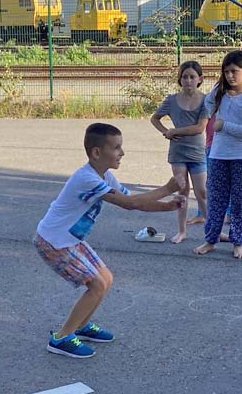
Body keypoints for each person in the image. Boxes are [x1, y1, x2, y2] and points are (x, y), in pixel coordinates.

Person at [35, 123, 185, 358]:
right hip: (54, 241)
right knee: (95, 285)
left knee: (105, 278)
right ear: (96, 152)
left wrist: (167, 206)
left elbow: (133, 200)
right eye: (116, 148)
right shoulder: (87, 179)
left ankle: (81, 326)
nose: (122, 153)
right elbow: (131, 204)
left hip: (69, 238)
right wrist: (167, 188)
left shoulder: (104, 175)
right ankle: (61, 338)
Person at [194, 50, 242, 259]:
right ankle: (210, 239)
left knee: (240, 200)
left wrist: (224, 126)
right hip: (218, 154)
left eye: (234, 71)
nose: (230, 76)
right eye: (226, 72)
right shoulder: (220, 93)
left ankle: (238, 241)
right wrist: (218, 88)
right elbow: (207, 104)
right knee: (215, 198)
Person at [150, 61, 210, 245]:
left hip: (197, 152)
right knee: (182, 191)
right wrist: (165, 131)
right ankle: (182, 231)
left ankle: (212, 231)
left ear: (200, 79)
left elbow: (200, 128)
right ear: (180, 79)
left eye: (192, 76)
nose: (188, 80)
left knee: (202, 192)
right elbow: (155, 118)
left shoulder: (206, 100)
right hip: (178, 153)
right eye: (185, 77)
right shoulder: (171, 100)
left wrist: (174, 131)